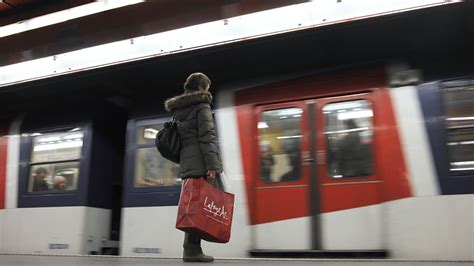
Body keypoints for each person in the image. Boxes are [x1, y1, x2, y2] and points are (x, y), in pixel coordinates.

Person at [164, 72, 223, 263]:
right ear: (201, 87)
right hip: (200, 164)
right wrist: (213, 165)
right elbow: (208, 136)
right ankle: (192, 250)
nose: (208, 91)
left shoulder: (179, 109)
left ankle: (191, 248)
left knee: (194, 206)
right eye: (207, 87)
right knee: (199, 207)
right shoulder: (202, 105)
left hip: (187, 163)